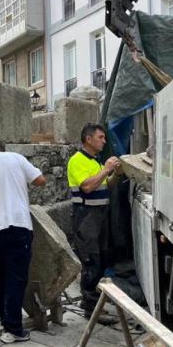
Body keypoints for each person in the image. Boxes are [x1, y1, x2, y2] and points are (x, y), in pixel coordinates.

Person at [0, 138, 47, 343]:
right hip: (17, 224)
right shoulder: (16, 158)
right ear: (4, 149)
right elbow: (41, 180)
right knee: (16, 276)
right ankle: (13, 328)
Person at [67, 123, 122, 324]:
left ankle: (92, 302)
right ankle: (91, 309)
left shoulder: (96, 162)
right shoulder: (77, 160)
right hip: (86, 216)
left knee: (103, 258)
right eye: (100, 137)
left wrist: (115, 173)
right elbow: (88, 186)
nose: (104, 141)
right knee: (91, 261)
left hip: (100, 215)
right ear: (88, 139)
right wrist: (106, 169)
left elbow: (105, 185)